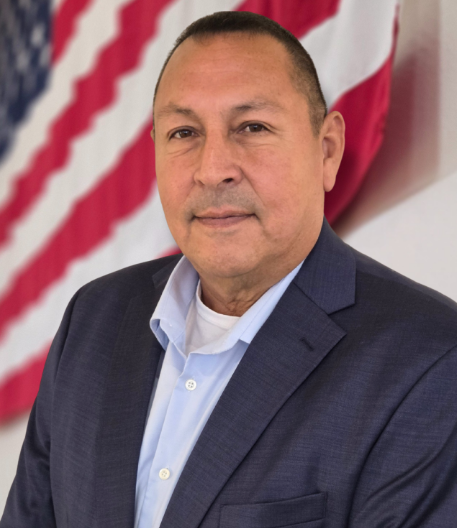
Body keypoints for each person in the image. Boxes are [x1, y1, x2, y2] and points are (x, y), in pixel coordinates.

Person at [2, 11, 457, 528]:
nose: (213, 168)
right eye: (184, 132)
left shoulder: (430, 362)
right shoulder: (92, 319)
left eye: (252, 127)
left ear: (327, 151)